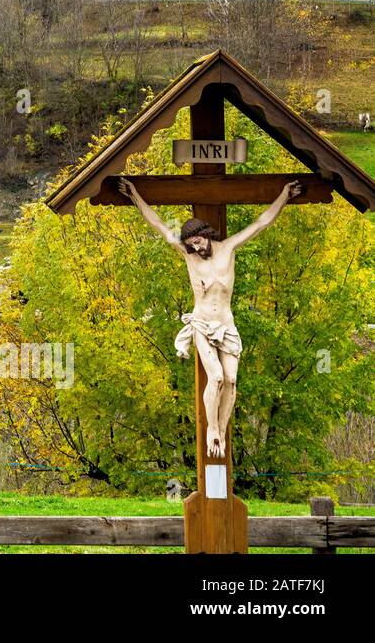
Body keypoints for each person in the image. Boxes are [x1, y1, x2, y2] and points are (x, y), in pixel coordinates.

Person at [117, 176, 302, 458]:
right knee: (214, 377)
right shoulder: (189, 257)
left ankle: (221, 431)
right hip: (202, 323)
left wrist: (285, 196)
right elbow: (159, 226)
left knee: (231, 380)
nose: (198, 248)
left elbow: (261, 223)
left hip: (226, 324)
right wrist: (134, 195)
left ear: (207, 234)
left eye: (199, 241)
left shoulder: (228, 248)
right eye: (192, 244)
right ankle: (211, 430)